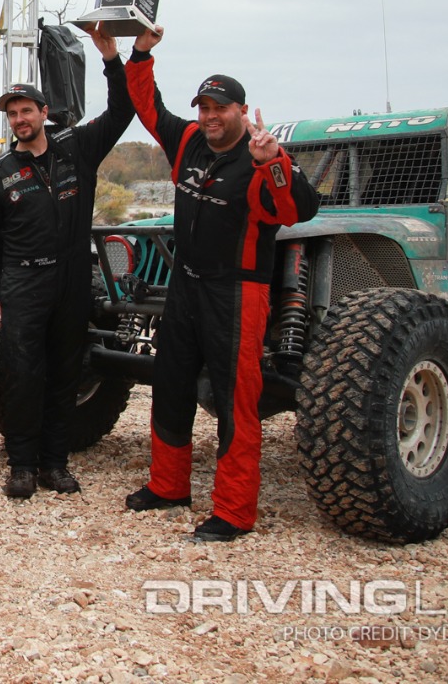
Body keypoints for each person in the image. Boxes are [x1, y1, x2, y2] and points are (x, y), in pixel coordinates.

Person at [122, 26, 318, 542]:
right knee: (168, 386)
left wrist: (273, 162)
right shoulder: (188, 141)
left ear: (241, 111)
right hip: (186, 285)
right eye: (204, 107)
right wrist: (140, 54)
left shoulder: (262, 158)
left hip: (238, 292)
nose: (210, 117)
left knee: (235, 401)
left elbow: (298, 209)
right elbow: (147, 107)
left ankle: (233, 511)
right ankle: (168, 486)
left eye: (220, 109)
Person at [0, 22, 132, 500]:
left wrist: (111, 59)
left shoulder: (78, 150)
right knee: (23, 375)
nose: (20, 119)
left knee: (67, 373)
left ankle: (54, 464)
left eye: (27, 110)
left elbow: (123, 110)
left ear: (45, 112)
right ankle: (22, 465)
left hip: (71, 281)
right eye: (12, 113)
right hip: (23, 283)